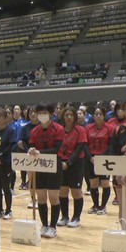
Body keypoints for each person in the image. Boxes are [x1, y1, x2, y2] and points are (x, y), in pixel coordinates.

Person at [28, 102, 65, 238]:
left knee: (54, 197)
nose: (42, 116)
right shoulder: (34, 131)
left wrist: (39, 151)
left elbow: (56, 149)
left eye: (44, 113)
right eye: (40, 113)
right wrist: (31, 150)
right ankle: (44, 225)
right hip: (39, 166)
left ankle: (53, 226)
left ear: (50, 114)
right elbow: (31, 146)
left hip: (54, 165)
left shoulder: (58, 129)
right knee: (41, 197)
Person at [107, 99, 126, 229]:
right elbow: (113, 152)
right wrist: (117, 173)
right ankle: (125, 237)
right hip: (120, 174)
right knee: (123, 207)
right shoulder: (118, 129)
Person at [57, 106, 87, 228]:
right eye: (66, 115)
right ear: (63, 117)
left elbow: (79, 148)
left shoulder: (80, 130)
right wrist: (60, 162)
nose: (69, 117)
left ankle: (76, 218)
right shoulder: (59, 130)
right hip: (61, 163)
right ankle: (64, 216)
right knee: (63, 191)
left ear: (74, 117)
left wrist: (68, 163)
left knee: (76, 192)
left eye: (71, 115)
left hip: (76, 164)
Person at [85, 106, 114, 215]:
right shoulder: (88, 128)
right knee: (93, 183)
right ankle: (95, 205)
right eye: (96, 114)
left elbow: (111, 144)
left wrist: (103, 157)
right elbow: (85, 144)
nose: (98, 116)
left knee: (105, 183)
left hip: (104, 159)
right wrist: (90, 157)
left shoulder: (109, 128)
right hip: (91, 159)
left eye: (100, 114)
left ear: (104, 115)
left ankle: (103, 206)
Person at [0, 108, 16, 220]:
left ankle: (8, 210)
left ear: (5, 118)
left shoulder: (10, 131)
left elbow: (10, 147)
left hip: (5, 163)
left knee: (6, 187)